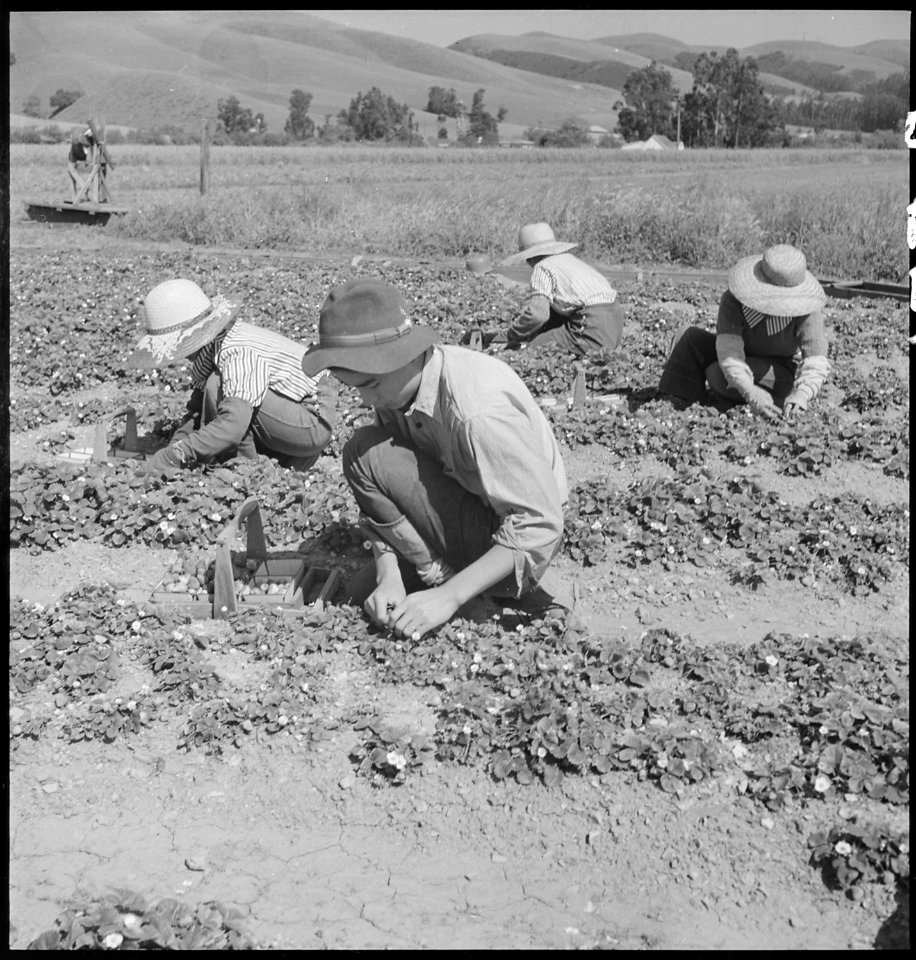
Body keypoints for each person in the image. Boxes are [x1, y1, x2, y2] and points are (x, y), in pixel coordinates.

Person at [301, 278, 570, 640]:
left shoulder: (477, 411)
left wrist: (447, 597)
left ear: (406, 355)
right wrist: (389, 574)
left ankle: (508, 592)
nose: (366, 400)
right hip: (468, 511)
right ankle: (442, 574)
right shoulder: (401, 389)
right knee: (365, 590)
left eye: (371, 384)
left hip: (519, 539)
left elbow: (539, 523)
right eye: (357, 388)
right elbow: (392, 492)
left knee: (366, 455)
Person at [131, 278, 336, 475]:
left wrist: (177, 455)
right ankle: (267, 460)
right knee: (215, 390)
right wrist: (174, 448)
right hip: (290, 412)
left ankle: (246, 472)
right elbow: (196, 412)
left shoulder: (235, 351)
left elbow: (233, 425)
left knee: (217, 387)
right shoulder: (215, 348)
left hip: (312, 422)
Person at [656, 244, 830, 421]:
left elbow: (816, 361)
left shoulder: (807, 312)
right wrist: (751, 391)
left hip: (779, 371)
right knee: (687, 337)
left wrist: (802, 395)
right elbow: (730, 352)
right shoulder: (734, 301)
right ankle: (677, 404)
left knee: (717, 374)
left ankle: (774, 403)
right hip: (741, 356)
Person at [499, 222, 624, 357]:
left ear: (529, 257)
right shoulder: (570, 260)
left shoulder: (542, 267)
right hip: (615, 325)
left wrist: (514, 334)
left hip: (592, 326)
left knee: (533, 349)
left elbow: (538, 315)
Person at [66, 126, 95, 203]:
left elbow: (90, 160)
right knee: (71, 173)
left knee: (94, 175)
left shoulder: (91, 144)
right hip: (75, 158)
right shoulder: (76, 143)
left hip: (88, 158)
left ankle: (90, 195)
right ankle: (76, 196)